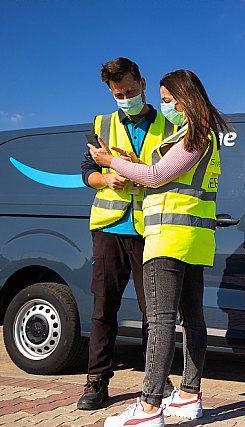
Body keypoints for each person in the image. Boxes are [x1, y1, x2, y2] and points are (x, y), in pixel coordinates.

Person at [88, 69, 228, 426]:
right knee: (192, 320)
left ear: (184, 99)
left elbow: (155, 177)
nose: (164, 106)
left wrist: (111, 162)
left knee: (160, 321)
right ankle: (187, 396)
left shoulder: (195, 136)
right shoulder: (201, 135)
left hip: (168, 236)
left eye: (168, 101)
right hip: (194, 238)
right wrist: (132, 164)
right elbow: (165, 173)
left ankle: (149, 407)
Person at [78, 57, 176, 410]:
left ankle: (157, 379)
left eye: (131, 91)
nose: (125, 98)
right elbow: (87, 171)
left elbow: (168, 173)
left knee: (156, 313)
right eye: (118, 93)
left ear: (144, 84)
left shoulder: (167, 125)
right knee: (103, 309)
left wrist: (127, 167)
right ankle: (96, 382)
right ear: (109, 91)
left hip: (151, 229)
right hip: (109, 228)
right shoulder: (101, 124)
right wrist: (106, 177)